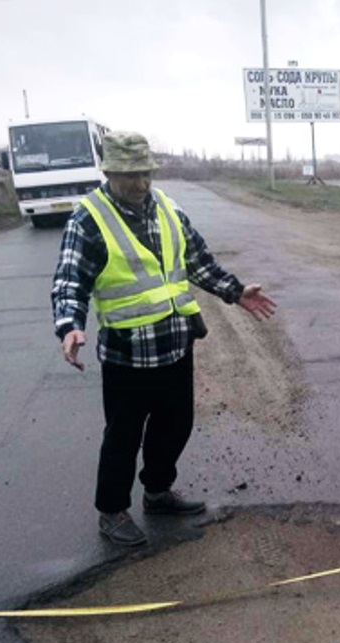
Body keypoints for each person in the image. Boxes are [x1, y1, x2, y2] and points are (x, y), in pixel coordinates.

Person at [51, 131, 277, 546]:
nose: (141, 184)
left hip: (174, 344)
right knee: (123, 436)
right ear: (110, 172)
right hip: (127, 354)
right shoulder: (89, 218)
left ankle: (157, 492)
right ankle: (112, 510)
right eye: (131, 176)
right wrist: (69, 326)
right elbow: (69, 280)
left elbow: (198, 261)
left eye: (146, 174)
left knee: (176, 425)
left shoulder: (167, 209)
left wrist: (235, 291)